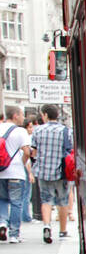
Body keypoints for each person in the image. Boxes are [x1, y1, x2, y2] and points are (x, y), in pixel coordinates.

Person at [32, 104, 73, 242]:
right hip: (62, 172)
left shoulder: (38, 131)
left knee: (46, 200)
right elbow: (71, 150)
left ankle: (47, 226)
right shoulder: (66, 131)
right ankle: (62, 231)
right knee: (62, 201)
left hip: (43, 171)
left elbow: (34, 151)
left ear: (44, 115)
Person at [0, 105, 33, 243]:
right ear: (15, 116)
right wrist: (22, 162)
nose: (23, 118)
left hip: (0, 172)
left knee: (1, 200)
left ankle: (2, 223)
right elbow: (27, 152)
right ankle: (14, 234)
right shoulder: (20, 131)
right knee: (16, 203)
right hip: (15, 173)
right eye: (21, 115)